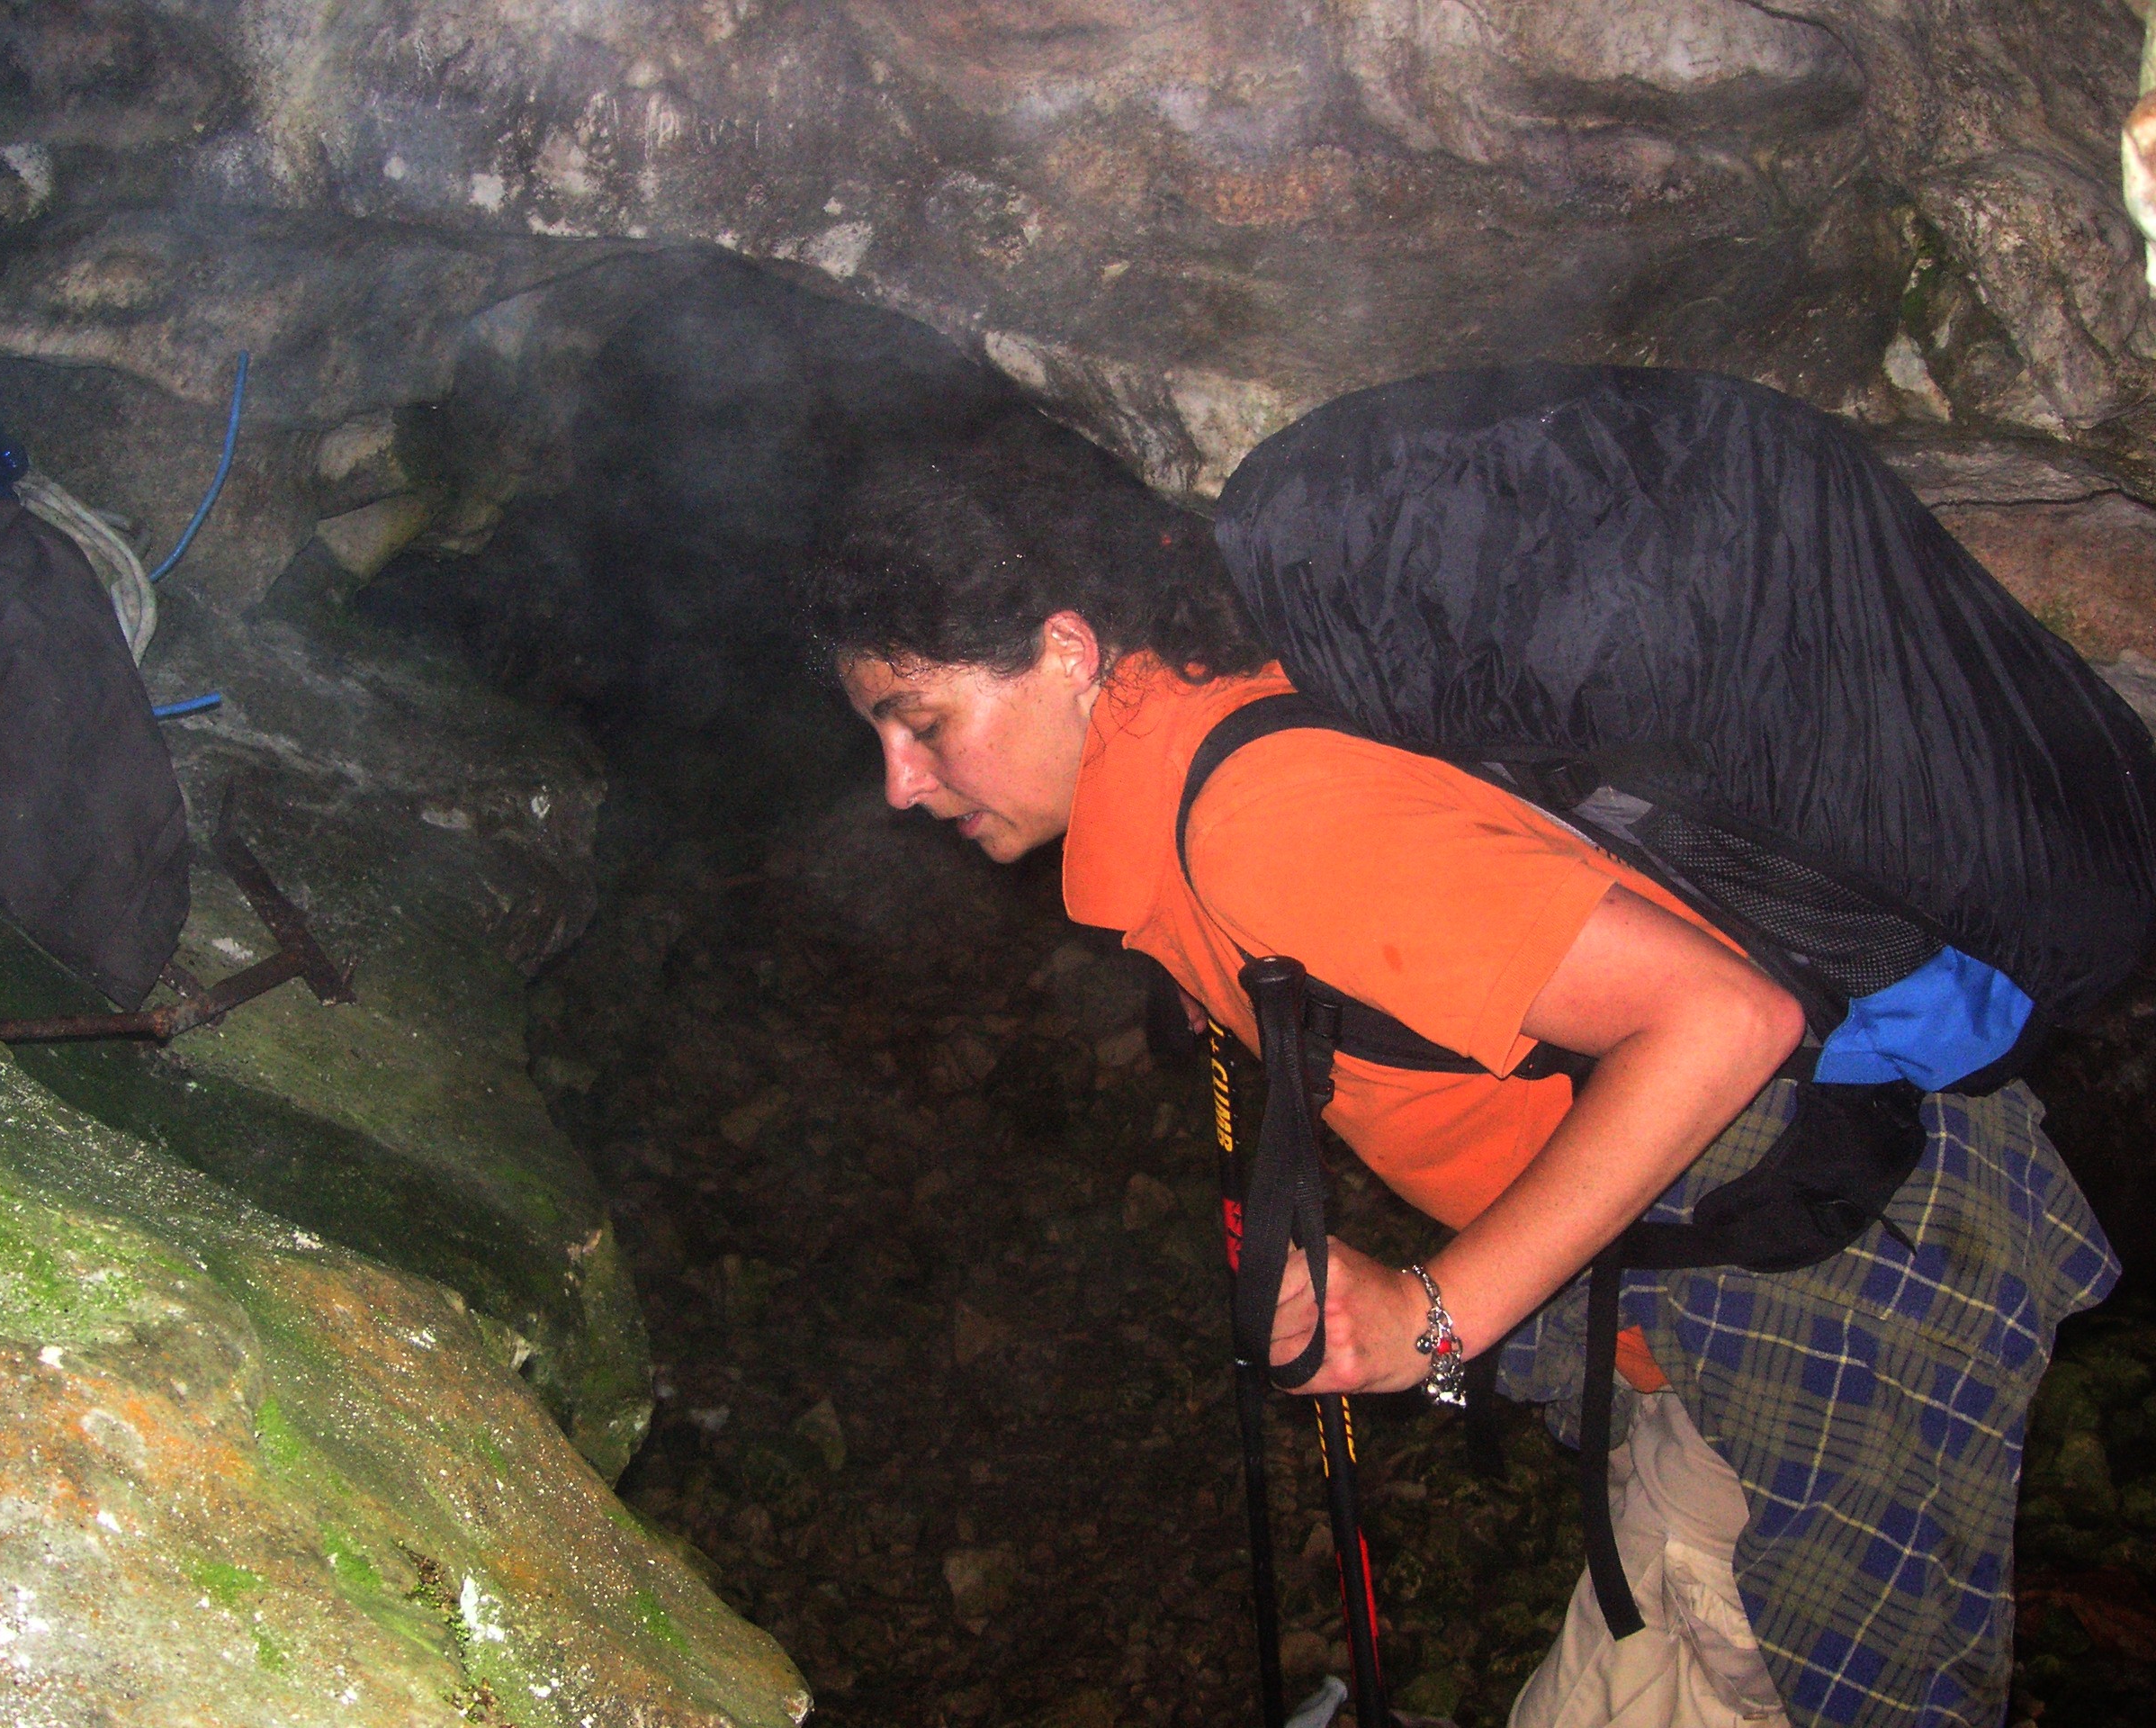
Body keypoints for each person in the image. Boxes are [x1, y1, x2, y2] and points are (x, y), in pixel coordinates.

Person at [796, 427, 2118, 1728]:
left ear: (1068, 652)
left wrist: (1431, 1320)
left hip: (1839, 1272)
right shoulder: (1203, 751)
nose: (901, 785)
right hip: (1732, 1271)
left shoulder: (1259, 824)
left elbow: (1725, 1015)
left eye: (922, 723)